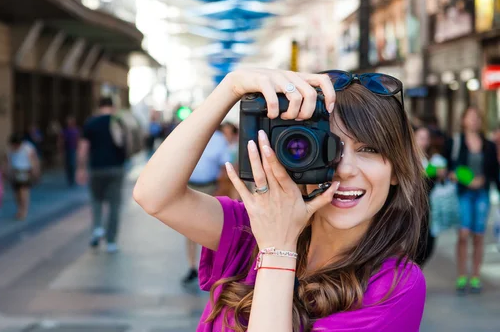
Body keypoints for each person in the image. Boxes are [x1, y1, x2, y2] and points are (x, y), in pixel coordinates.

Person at [134, 69, 427, 331]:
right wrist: (231, 87)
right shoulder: (254, 230)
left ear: (395, 171)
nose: (346, 169)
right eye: (330, 147)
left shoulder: (396, 285)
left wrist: (277, 251)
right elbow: (155, 196)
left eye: (370, 150)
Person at [447, 107, 499, 294]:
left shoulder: (489, 144)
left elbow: (493, 170)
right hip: (463, 193)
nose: (474, 120)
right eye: (470, 117)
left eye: (477, 117)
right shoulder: (455, 142)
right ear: (463, 120)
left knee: (478, 235)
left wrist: (483, 179)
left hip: (482, 193)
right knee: (463, 234)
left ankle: (475, 276)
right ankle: (462, 276)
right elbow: (447, 166)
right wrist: (456, 175)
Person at [77, 97, 127, 253]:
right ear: (112, 106)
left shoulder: (91, 123)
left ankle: (97, 228)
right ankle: (111, 241)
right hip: (116, 168)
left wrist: (81, 168)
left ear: (99, 106)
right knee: (114, 205)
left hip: (97, 168)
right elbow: (128, 143)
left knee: (96, 200)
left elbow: (83, 148)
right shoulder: (118, 122)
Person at [182, 128, 231, 285]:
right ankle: (192, 266)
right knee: (189, 228)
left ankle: (212, 268)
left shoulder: (218, 139)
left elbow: (225, 165)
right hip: (189, 187)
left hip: (211, 187)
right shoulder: (189, 136)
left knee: (211, 227)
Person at [414, 126, 446, 266]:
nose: (424, 142)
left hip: (431, 205)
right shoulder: (410, 158)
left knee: (429, 243)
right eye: (421, 138)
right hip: (413, 206)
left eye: (426, 138)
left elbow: (445, 175)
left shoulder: (435, 158)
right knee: (415, 242)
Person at [7, 133, 39, 220]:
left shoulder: (27, 147)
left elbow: (34, 159)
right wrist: (8, 172)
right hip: (15, 171)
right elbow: (9, 161)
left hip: (25, 171)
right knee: (16, 193)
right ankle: (19, 209)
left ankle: (24, 210)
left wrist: (35, 170)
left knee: (23, 192)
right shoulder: (10, 149)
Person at [61, 116, 80, 187]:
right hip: (67, 149)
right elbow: (61, 140)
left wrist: (79, 149)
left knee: (72, 164)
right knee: (67, 164)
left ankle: (72, 178)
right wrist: (61, 149)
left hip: (73, 149)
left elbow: (78, 139)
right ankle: (69, 178)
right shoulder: (65, 131)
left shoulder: (76, 130)